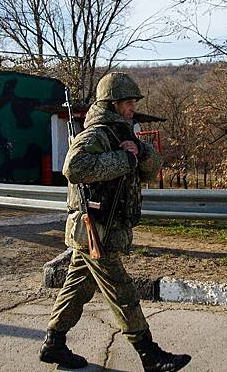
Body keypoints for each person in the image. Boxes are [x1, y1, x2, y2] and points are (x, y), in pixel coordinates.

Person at [39, 73, 191, 371]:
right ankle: (149, 354)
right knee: (122, 291)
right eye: (128, 102)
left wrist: (139, 152)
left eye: (134, 101)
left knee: (78, 288)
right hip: (96, 229)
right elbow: (74, 167)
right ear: (112, 104)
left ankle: (54, 344)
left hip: (101, 229)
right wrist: (124, 159)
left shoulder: (123, 134)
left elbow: (149, 169)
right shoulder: (97, 134)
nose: (133, 107)